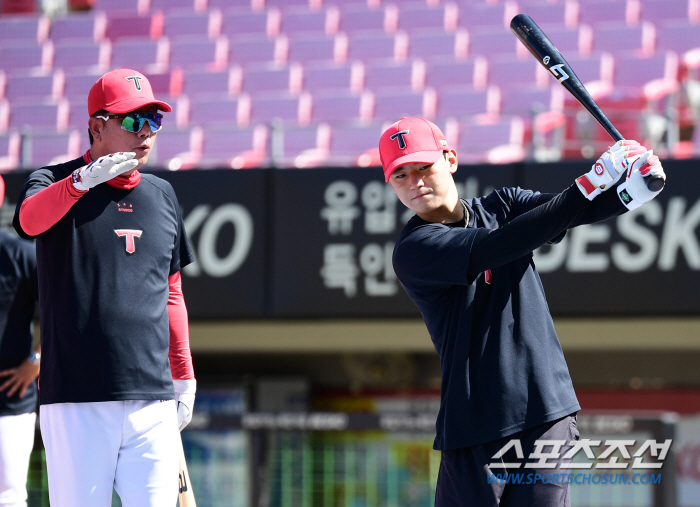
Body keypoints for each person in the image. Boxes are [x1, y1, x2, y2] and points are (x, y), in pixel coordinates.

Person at [379, 117, 666, 506]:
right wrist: (594, 179)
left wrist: (631, 192)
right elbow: (498, 245)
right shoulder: (414, 249)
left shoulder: (505, 203)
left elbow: (563, 214)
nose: (415, 182)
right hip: (473, 425)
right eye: (401, 174)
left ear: (450, 158)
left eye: (424, 167)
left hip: (545, 411)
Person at [12, 68, 197, 507]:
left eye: (153, 120)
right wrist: (81, 182)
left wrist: (184, 374)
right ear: (96, 126)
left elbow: (172, 292)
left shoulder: (162, 194)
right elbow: (27, 221)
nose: (146, 133)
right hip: (77, 397)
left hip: (152, 394)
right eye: (133, 121)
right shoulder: (52, 179)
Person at [0, 175, 40, 507]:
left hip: (10, 401)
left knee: (9, 497)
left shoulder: (20, 254)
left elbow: (65, 308)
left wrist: (35, 362)